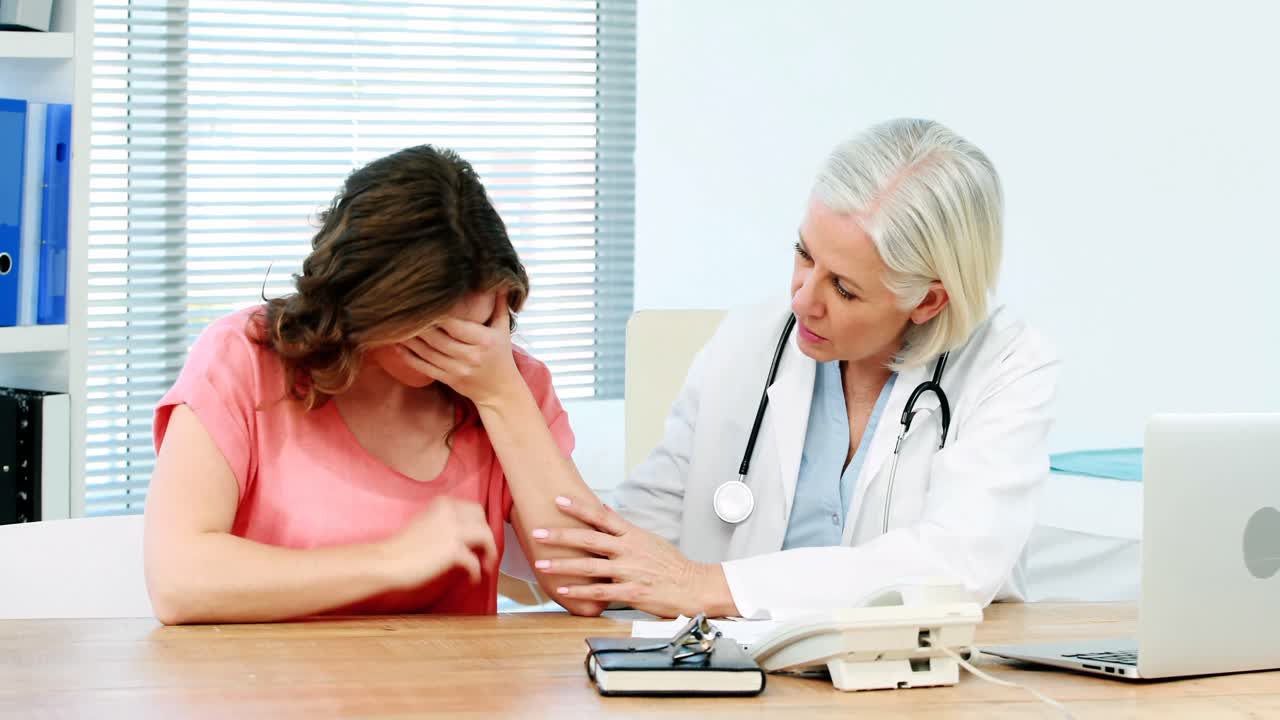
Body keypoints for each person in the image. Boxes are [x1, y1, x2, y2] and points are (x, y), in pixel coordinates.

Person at [528, 118, 1060, 619]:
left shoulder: (1006, 365)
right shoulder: (747, 344)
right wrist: (502, 396)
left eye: (844, 288)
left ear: (928, 301)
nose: (803, 299)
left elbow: (955, 566)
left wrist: (708, 585)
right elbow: (631, 542)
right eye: (804, 255)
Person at [143, 145, 606, 624]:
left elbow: (587, 589)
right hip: (269, 690)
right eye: (429, 331)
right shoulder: (244, 359)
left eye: (479, 324)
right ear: (364, 304)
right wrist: (390, 561)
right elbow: (179, 581)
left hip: (453, 693)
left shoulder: (505, 381)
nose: (456, 351)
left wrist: (501, 397)